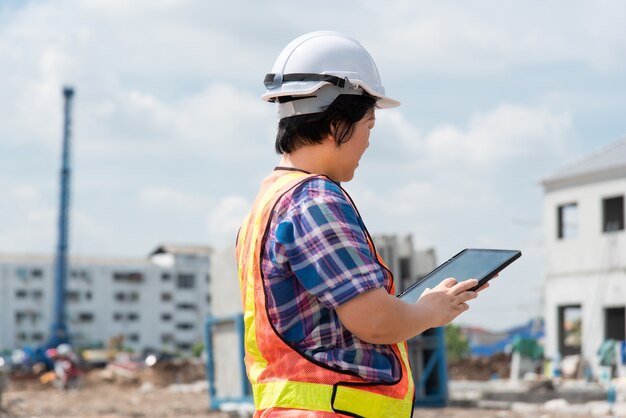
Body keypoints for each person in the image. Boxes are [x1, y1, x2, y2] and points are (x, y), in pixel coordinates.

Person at [236, 31, 486, 417]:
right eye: (369, 125)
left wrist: (420, 306)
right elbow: (374, 321)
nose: (368, 142)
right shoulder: (315, 201)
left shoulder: (265, 205)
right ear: (338, 123)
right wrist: (433, 311)